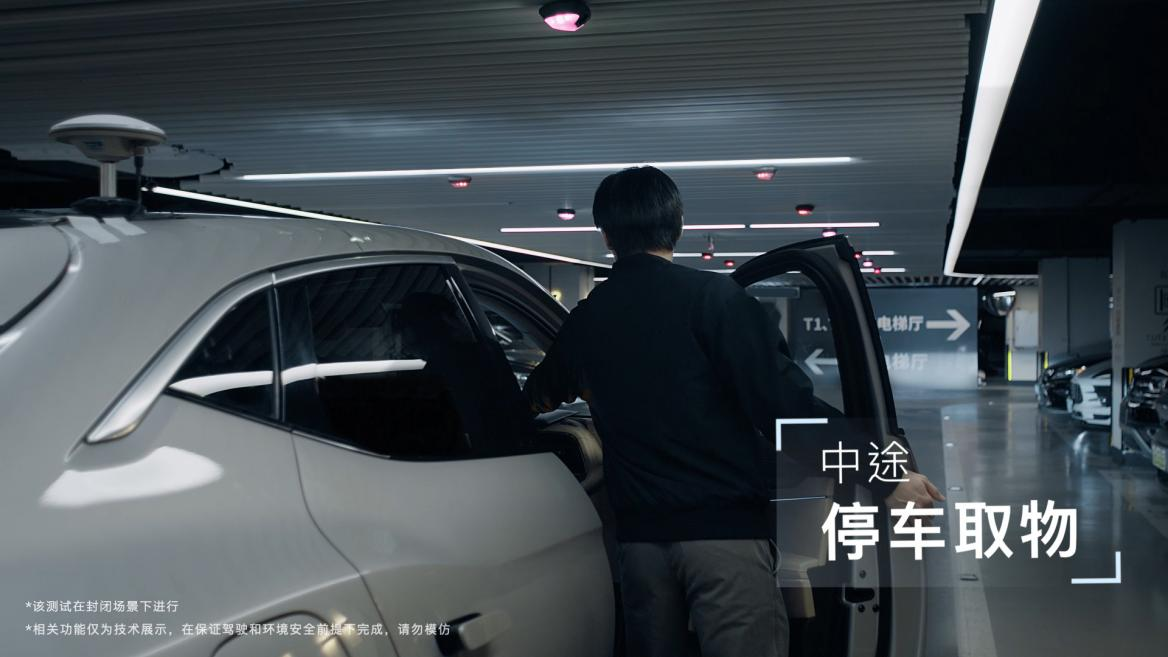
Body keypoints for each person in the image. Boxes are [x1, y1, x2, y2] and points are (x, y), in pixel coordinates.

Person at [523, 166, 943, 657]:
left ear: (606, 235)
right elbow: (786, 411)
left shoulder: (588, 320)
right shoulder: (715, 299)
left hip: (638, 551)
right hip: (722, 540)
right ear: (677, 225)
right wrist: (884, 473)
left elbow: (536, 397)